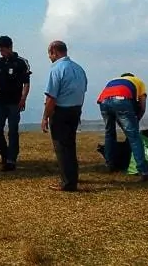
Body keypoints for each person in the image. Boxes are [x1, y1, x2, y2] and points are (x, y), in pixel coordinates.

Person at [41, 40, 88, 192]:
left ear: (55, 51)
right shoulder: (79, 68)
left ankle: (68, 183)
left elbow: (51, 97)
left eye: (50, 54)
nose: (49, 57)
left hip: (61, 111)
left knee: (61, 147)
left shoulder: (56, 69)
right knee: (70, 144)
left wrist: (45, 117)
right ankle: (72, 177)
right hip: (75, 109)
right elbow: (82, 90)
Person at [96, 72, 148, 181]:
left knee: (109, 133)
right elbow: (142, 106)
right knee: (134, 137)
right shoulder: (139, 81)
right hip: (121, 99)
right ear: (132, 77)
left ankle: (110, 165)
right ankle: (143, 170)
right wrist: (136, 121)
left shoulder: (113, 80)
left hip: (103, 100)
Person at [0, 35, 31, 171]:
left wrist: (23, 99)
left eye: (3, 50)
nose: (1, 53)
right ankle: (4, 155)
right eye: (0, 50)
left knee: (13, 130)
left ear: (10, 47)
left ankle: (11, 159)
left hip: (15, 102)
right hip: (0, 101)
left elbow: (26, 83)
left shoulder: (21, 62)